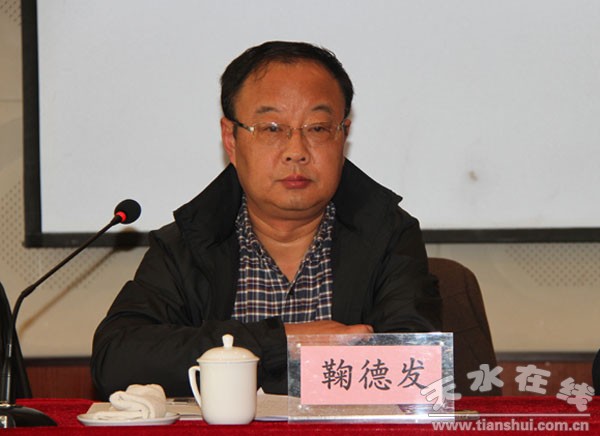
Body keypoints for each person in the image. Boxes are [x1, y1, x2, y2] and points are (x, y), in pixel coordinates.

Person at [91, 41, 441, 399]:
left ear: (343, 135)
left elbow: (414, 369)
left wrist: (241, 370)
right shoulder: (189, 241)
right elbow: (117, 361)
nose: (296, 152)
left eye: (318, 128)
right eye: (272, 128)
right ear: (231, 139)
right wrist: (282, 342)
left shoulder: (388, 234)